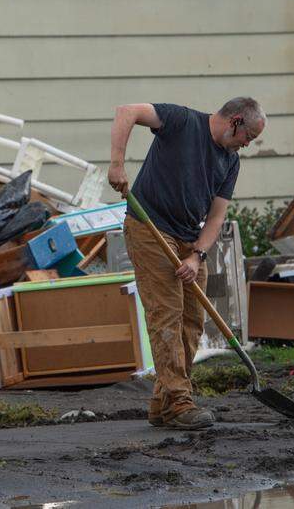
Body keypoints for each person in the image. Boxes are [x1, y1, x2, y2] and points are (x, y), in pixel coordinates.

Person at [108, 97, 265, 430]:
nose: (246, 146)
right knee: (167, 314)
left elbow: (216, 216)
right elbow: (128, 111)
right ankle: (180, 402)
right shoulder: (182, 122)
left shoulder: (230, 162)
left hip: (189, 239)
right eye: (246, 137)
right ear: (235, 121)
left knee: (193, 321)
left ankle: (162, 403)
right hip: (149, 226)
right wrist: (117, 164)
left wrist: (197, 255)